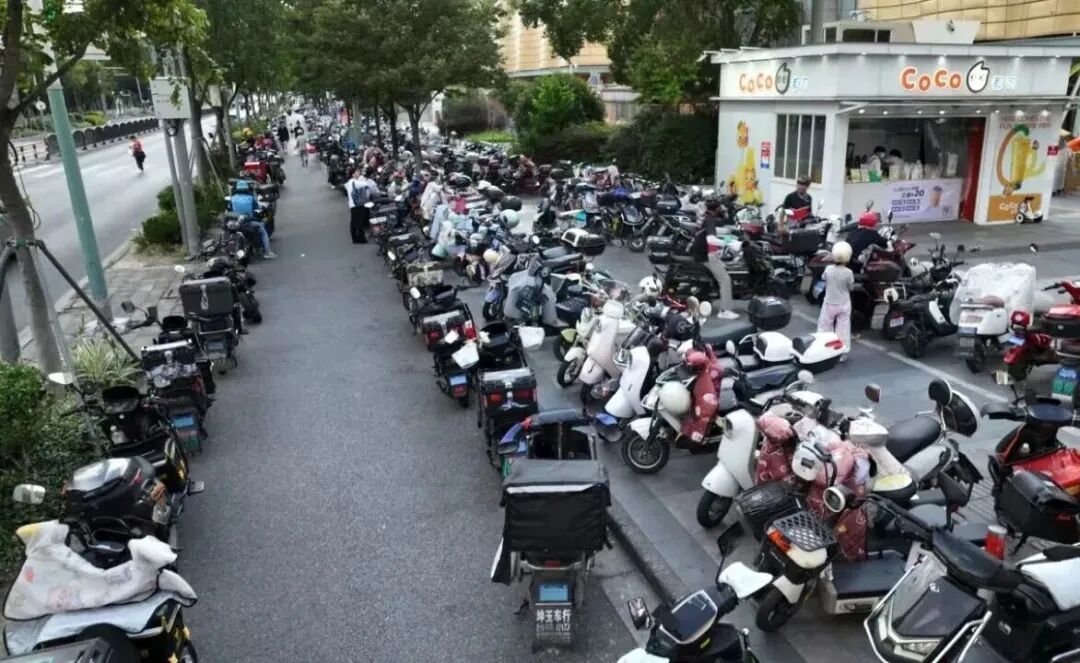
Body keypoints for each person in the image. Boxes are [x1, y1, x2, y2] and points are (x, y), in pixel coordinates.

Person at [690, 196, 738, 319]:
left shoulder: (704, 216)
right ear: (716, 209)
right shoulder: (710, 219)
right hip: (706, 255)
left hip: (700, 252)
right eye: (720, 207)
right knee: (725, 279)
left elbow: (709, 233)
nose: (722, 209)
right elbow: (711, 239)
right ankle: (725, 311)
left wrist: (729, 236)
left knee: (723, 267)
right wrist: (728, 243)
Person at [818, 241, 854, 361]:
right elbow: (851, 288)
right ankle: (842, 353)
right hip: (844, 304)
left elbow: (823, 278)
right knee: (843, 329)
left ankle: (824, 350)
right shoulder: (849, 272)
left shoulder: (828, 269)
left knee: (825, 327)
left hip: (829, 303)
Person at [230, 181, 275, 259]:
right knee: (263, 231)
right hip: (249, 222)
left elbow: (230, 209)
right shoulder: (251, 198)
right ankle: (268, 252)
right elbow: (256, 210)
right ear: (247, 189)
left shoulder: (232, 199)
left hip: (236, 223)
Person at [345, 167, 379, 244]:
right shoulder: (355, 182)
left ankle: (358, 238)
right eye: (357, 172)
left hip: (354, 204)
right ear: (353, 174)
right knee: (357, 223)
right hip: (357, 205)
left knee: (355, 222)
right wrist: (368, 179)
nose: (359, 173)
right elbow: (367, 184)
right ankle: (358, 239)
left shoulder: (350, 182)